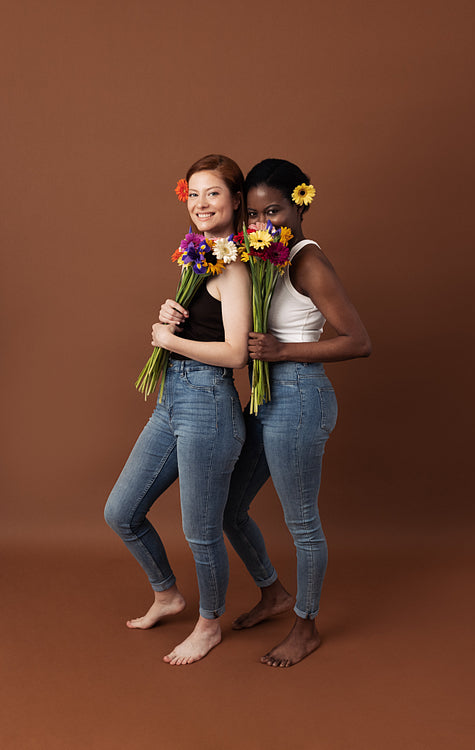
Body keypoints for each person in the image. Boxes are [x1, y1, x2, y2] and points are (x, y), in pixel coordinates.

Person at [163, 158, 371, 667]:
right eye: (254, 215)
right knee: (231, 509)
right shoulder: (265, 255)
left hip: (299, 396)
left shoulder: (306, 260)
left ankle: (306, 625)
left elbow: (358, 342)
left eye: (273, 211)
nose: (262, 225)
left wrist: (281, 352)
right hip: (266, 397)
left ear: (302, 204)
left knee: (301, 521)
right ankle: (274, 594)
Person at [104, 154, 252, 666]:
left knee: (201, 530)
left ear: (236, 200)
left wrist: (170, 340)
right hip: (174, 398)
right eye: (193, 194)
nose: (200, 203)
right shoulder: (200, 255)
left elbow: (235, 353)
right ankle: (168, 594)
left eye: (212, 193)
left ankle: (209, 624)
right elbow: (203, 326)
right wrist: (172, 317)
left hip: (209, 404)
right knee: (121, 512)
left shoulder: (233, 266)